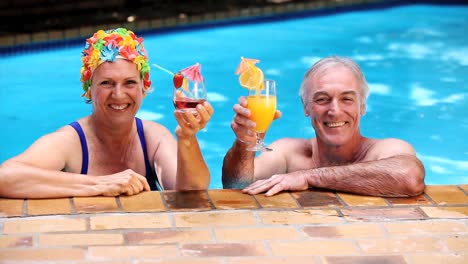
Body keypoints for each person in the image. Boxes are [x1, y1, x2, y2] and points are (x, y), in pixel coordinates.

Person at [0, 28, 214, 198]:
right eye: (106, 83)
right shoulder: (71, 141)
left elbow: (192, 192)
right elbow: (5, 177)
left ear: (144, 87)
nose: (118, 94)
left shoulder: (152, 137)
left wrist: (187, 139)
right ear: (89, 89)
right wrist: (100, 184)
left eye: (129, 82)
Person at [222, 55, 425, 197]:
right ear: (306, 107)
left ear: (362, 106)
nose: (334, 110)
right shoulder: (289, 153)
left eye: (347, 99)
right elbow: (235, 185)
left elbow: (409, 178)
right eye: (322, 99)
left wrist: (309, 177)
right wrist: (243, 144)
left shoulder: (386, 149)